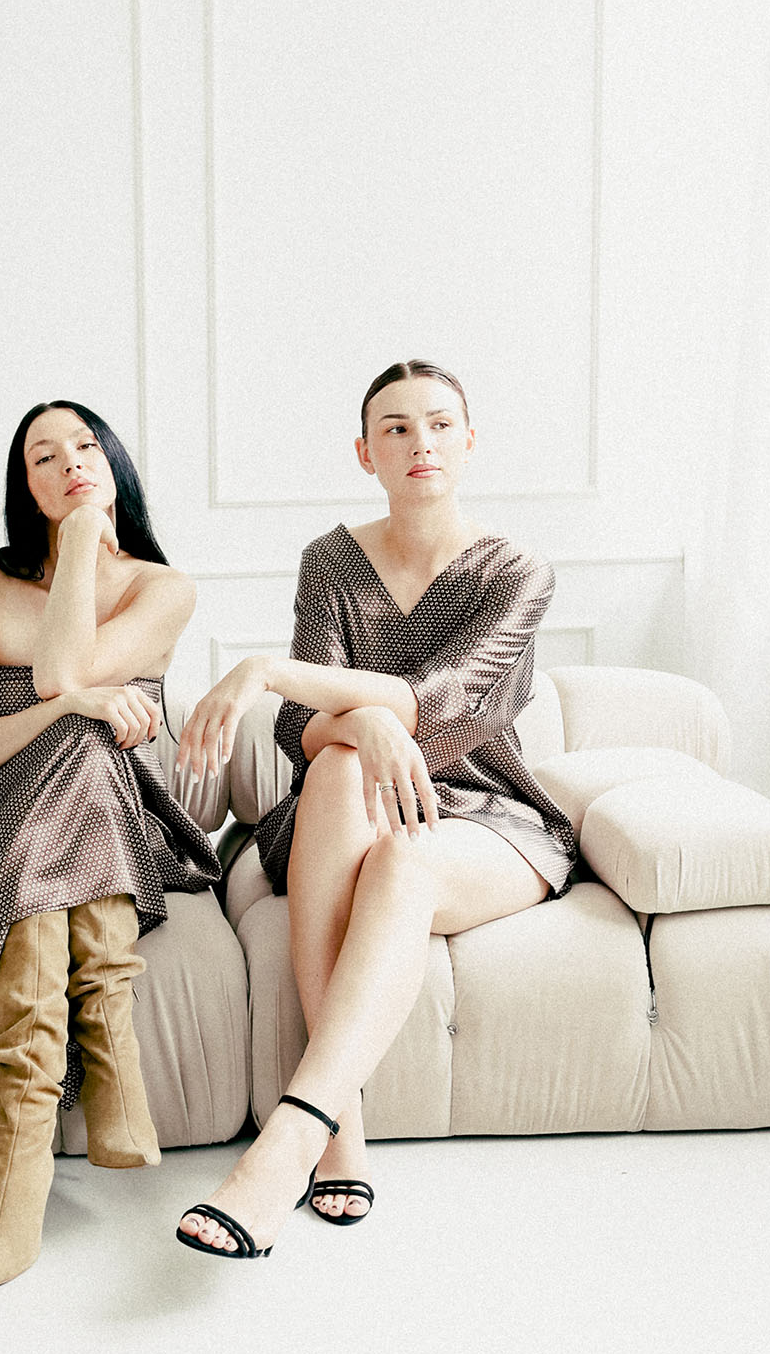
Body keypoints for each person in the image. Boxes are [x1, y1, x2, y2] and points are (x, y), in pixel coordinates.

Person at [173, 359, 577, 1258]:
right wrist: (362, 724)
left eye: (438, 424)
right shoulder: (332, 562)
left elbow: (444, 706)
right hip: (346, 802)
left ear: (469, 442)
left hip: (486, 815)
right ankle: (340, 1125)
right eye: (395, 428)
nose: (419, 442)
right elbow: (297, 734)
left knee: (402, 855)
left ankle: (289, 1142)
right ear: (366, 453)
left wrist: (272, 671)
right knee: (336, 766)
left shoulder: (518, 573)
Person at [0, 401, 219, 1294]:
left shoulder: (165, 589)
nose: (69, 465)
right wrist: (72, 705)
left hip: (114, 826)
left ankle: (19, 1154)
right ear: (25, 487)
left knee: (84, 749)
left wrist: (86, 543)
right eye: (43, 458)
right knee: (78, 734)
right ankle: (111, 1062)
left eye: (86, 447)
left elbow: (62, 671)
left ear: (114, 463)